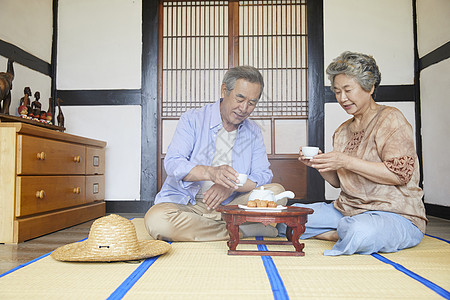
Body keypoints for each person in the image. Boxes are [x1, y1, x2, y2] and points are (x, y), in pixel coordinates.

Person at [278, 51, 427, 256]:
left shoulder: (391, 118)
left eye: (348, 90)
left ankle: (337, 233)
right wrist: (320, 164)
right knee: (284, 220)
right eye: (337, 91)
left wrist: (346, 160)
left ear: (370, 87)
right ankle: (341, 231)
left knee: (360, 231)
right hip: (347, 209)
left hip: (394, 213)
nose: (342, 98)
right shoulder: (342, 131)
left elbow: (399, 174)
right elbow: (339, 182)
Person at [145, 66, 287, 241]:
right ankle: (245, 230)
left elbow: (263, 175)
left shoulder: (253, 131)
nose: (244, 108)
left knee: (277, 193)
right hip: (188, 205)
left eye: (252, 103)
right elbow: (173, 163)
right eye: (239, 98)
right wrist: (211, 172)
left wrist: (229, 187)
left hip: (230, 205)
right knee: (157, 221)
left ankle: (210, 226)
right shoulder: (192, 119)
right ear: (224, 90)